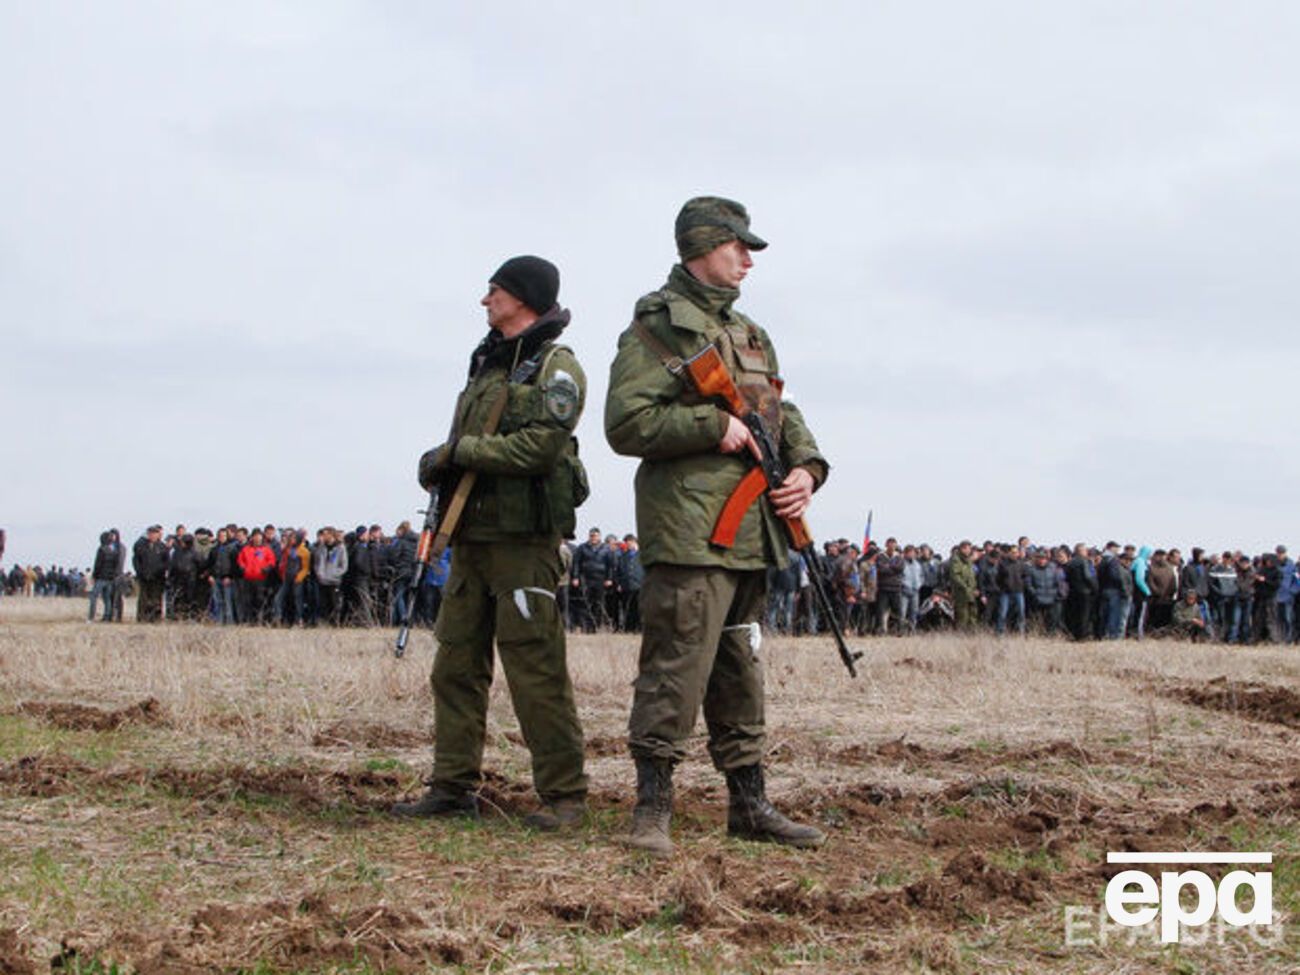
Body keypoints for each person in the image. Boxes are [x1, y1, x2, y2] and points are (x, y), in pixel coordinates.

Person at [605, 196, 828, 855]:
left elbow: (780, 412)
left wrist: (807, 469)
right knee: (675, 663)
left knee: (740, 667)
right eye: (738, 244)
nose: (748, 257)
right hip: (689, 528)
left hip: (754, 530)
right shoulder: (658, 327)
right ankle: (652, 809)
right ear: (703, 246)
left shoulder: (751, 333)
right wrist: (713, 425)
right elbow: (626, 423)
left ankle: (749, 803)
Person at [393, 254, 590, 831]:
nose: (485, 302)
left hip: (524, 541)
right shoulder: (487, 366)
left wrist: (462, 453)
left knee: (534, 668)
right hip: (472, 538)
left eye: (495, 292)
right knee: (454, 665)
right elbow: (468, 442)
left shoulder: (557, 367)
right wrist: (443, 463)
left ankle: (564, 797)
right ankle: (452, 788)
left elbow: (541, 449)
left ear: (524, 297)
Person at [132, 525, 168, 622]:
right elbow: (136, 560)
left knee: (156, 598)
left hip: (158, 578)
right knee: (143, 598)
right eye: (150, 534)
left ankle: (155, 618)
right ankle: (142, 618)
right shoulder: (141, 545)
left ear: (158, 535)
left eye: (154, 534)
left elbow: (166, 562)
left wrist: (161, 571)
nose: (152, 536)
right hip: (144, 577)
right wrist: (139, 571)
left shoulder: (162, 547)